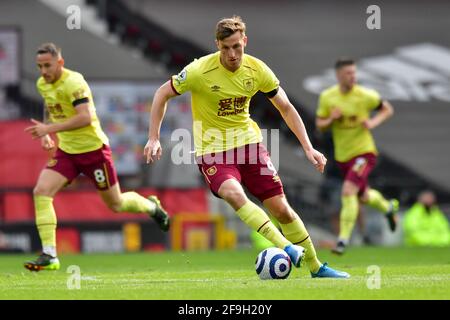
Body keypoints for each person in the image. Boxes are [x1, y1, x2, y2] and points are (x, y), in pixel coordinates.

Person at [144, 16, 349, 278]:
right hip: (213, 151)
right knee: (233, 193)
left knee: (281, 209)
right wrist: (154, 137)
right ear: (217, 44)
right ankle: (286, 246)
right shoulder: (198, 71)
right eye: (225, 47)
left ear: (245, 41)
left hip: (249, 147)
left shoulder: (257, 69)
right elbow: (162, 93)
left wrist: (308, 148)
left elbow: (285, 107)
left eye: (236, 47)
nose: (232, 54)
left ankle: (316, 267)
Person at [23, 43, 170, 271]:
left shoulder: (74, 82)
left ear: (60, 63)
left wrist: (49, 129)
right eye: (39, 66)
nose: (43, 71)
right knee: (41, 191)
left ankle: (152, 208)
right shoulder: (42, 83)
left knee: (116, 203)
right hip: (68, 153)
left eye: (47, 65)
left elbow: (84, 118)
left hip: (94, 151)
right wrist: (46, 129)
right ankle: (50, 254)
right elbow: (50, 104)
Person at [315, 58, 399, 255]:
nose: (353, 76)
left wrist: (373, 123)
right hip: (343, 156)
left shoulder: (365, 95)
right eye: (348, 73)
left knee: (347, 191)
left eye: (354, 73)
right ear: (338, 76)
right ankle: (388, 207)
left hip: (364, 153)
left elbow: (387, 109)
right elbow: (320, 124)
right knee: (364, 195)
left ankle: (342, 240)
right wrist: (331, 119)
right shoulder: (328, 97)